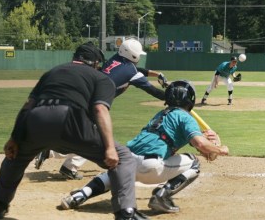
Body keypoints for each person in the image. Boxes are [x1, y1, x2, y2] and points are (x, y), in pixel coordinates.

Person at [0, 43, 149, 220]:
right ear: (96, 63)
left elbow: (28, 106)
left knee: (15, 157)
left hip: (36, 120)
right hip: (71, 121)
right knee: (124, 158)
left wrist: (14, 139)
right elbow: (99, 110)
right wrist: (109, 147)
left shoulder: (51, 73)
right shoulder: (101, 78)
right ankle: (125, 213)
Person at [60, 80, 229, 213]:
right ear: (190, 100)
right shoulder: (186, 118)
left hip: (125, 159)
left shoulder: (160, 115)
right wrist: (219, 148)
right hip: (151, 168)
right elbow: (203, 148)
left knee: (112, 174)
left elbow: (202, 145)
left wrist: (207, 141)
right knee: (194, 163)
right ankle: (161, 196)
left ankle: (81, 194)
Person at [34, 38, 169, 179]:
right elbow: (151, 90)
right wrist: (170, 97)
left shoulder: (115, 60)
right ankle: (64, 163)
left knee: (86, 137)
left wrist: (156, 74)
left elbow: (135, 70)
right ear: (133, 55)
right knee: (96, 139)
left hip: (87, 98)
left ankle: (57, 158)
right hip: (95, 104)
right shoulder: (131, 71)